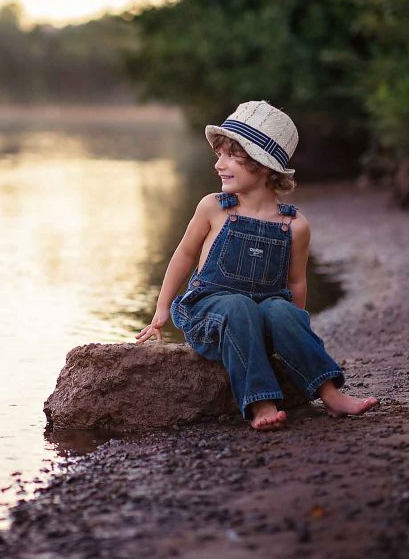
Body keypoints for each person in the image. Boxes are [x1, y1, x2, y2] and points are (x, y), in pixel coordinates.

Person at [136, 100, 378, 430]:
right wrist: (162, 309)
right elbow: (184, 256)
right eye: (218, 155)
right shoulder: (213, 208)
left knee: (280, 309)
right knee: (237, 306)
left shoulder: (295, 226)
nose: (219, 164)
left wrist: (290, 330)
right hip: (209, 315)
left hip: (260, 323)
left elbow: (295, 284)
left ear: (263, 167)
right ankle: (261, 401)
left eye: (230, 156)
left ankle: (331, 394)